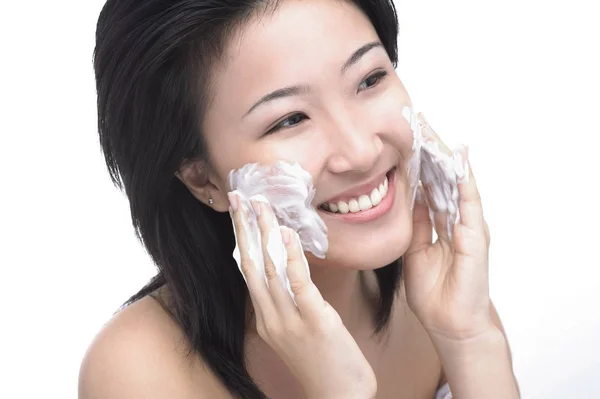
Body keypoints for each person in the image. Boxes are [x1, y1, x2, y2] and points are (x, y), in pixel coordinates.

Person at [79, 0, 520, 398]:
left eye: (369, 79)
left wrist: (470, 340)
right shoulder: (137, 371)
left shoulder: (432, 297)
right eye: (290, 119)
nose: (361, 151)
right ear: (202, 180)